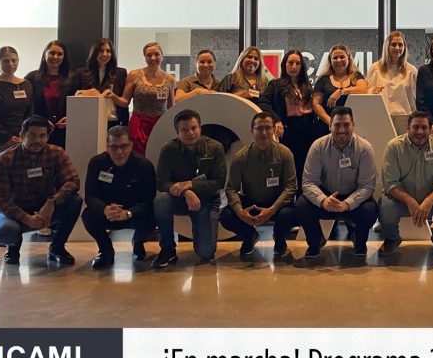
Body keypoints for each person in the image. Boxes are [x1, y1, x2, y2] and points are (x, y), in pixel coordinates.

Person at [0, 115, 82, 265]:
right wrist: (27, 218)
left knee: (75, 201)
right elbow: (1, 201)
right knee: (6, 231)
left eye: (42, 136)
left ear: (47, 137)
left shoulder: (57, 153)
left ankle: (57, 248)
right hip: (12, 212)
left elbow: (73, 181)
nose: (37, 140)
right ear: (22, 135)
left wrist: (52, 202)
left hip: (44, 208)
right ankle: (12, 248)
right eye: (32, 135)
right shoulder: (4, 159)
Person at [295, 106, 378, 259]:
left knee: (370, 210)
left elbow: (367, 186)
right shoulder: (318, 146)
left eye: (346, 125)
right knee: (301, 205)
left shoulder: (365, 148)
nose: (342, 130)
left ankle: (359, 241)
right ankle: (315, 242)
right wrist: (323, 200)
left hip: (353, 197)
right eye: (337, 125)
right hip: (327, 196)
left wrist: (347, 203)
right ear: (330, 126)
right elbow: (308, 182)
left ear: (353, 125)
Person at [378, 111, 433, 258]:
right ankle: (392, 239)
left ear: (430, 129)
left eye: (424, 128)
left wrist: (428, 201)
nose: (420, 132)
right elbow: (390, 183)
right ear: (407, 128)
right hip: (402, 201)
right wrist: (410, 201)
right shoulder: (394, 146)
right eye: (415, 127)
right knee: (385, 205)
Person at [151, 109, 227, 268]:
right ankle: (167, 249)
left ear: (200, 128)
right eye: (184, 130)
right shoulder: (168, 149)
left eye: (194, 128)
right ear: (177, 132)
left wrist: (190, 184)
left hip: (206, 201)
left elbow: (219, 182)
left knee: (206, 252)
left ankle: (200, 233)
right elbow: (162, 182)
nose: (190, 133)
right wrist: (186, 191)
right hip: (179, 199)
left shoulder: (215, 147)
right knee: (161, 200)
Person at [220, 112, 298, 259]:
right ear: (252, 131)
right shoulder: (241, 157)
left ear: (274, 130)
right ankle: (249, 235)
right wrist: (240, 211)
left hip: (276, 203)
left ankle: (279, 239)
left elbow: (291, 187)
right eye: (259, 128)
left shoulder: (285, 154)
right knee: (226, 216)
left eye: (268, 128)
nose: (264, 132)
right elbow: (231, 188)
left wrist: (272, 209)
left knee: (290, 214)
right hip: (252, 201)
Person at [81, 125, 156, 269]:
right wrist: (105, 209)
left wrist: (128, 213)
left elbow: (148, 200)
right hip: (108, 212)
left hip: (134, 213)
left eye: (124, 146)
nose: (119, 152)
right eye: (114, 147)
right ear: (107, 147)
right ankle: (106, 251)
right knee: (88, 215)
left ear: (131, 146)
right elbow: (90, 196)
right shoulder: (97, 163)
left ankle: (138, 243)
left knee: (154, 214)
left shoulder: (144, 166)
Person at [0, 47, 33, 214]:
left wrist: (26, 135)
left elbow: (30, 113)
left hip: (21, 140)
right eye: (5, 61)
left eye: (14, 60)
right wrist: (7, 137)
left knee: (19, 180)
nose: (10, 64)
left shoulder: (26, 84)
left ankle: (19, 217)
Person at [260, 49, 319, 185]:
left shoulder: (307, 86)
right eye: (290, 63)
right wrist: (276, 120)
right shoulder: (275, 84)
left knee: (306, 166)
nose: (294, 67)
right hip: (288, 129)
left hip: (308, 129)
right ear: (284, 65)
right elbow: (263, 102)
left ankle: (304, 194)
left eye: (297, 63)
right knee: (289, 165)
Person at [122, 42, 176, 156]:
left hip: (160, 123)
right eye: (149, 55)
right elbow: (125, 102)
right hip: (139, 123)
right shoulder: (134, 75)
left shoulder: (170, 79)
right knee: (137, 155)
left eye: (156, 54)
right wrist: (111, 96)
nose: (153, 58)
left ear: (162, 56)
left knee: (159, 154)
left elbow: (171, 107)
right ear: (144, 57)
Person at [367, 31, 418, 134]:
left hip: (405, 116)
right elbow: (368, 92)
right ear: (387, 47)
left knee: (403, 144)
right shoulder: (375, 68)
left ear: (404, 47)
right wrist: (372, 91)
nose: (397, 48)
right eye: (394, 44)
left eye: (400, 45)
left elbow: (416, 97)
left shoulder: (411, 70)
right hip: (382, 114)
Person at [24, 40, 73, 148]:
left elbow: (77, 105)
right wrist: (41, 121)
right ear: (44, 55)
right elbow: (27, 106)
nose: (55, 57)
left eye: (59, 54)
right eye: (52, 53)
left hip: (64, 133)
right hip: (38, 132)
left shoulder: (72, 78)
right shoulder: (31, 78)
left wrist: (70, 118)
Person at [73, 38, 130, 127]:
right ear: (94, 53)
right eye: (101, 51)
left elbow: (124, 102)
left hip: (113, 122)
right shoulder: (81, 73)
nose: (105, 54)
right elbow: (75, 97)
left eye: (108, 51)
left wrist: (113, 96)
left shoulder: (121, 73)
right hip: (88, 120)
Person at [312, 44, 368, 128]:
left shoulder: (356, 76)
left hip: (350, 127)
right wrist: (331, 122)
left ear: (348, 58)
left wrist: (341, 91)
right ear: (330, 60)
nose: (338, 60)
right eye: (335, 58)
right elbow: (315, 104)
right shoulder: (323, 79)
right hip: (327, 126)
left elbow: (363, 89)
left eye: (342, 57)